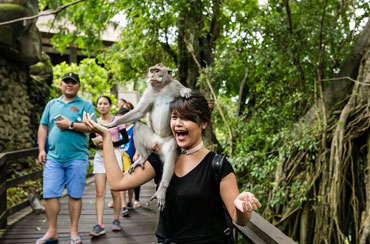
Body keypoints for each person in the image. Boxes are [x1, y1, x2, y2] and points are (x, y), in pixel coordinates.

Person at [83, 91, 261, 244]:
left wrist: (241, 208)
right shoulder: (160, 160)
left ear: (203, 123)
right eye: (174, 117)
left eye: (187, 118)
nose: (178, 123)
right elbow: (117, 182)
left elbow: (241, 221)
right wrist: (106, 136)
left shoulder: (218, 165)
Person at [37, 72, 97, 244]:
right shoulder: (52, 104)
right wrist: (41, 149)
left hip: (77, 157)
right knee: (49, 195)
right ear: (61, 84)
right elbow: (43, 127)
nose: (69, 85)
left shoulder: (86, 105)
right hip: (53, 158)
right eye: (66, 82)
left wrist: (70, 124)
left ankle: (74, 232)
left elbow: (92, 127)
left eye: (73, 82)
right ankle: (52, 232)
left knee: (75, 195)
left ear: (78, 86)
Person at [89, 96, 129, 237]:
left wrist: (109, 143)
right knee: (99, 192)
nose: (102, 106)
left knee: (115, 191)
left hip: (115, 156)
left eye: (105, 103)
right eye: (100, 103)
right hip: (100, 157)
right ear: (97, 106)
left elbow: (125, 138)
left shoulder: (116, 121)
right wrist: (97, 143)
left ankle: (116, 220)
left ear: (110, 106)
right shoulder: (94, 123)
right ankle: (99, 224)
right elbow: (89, 143)